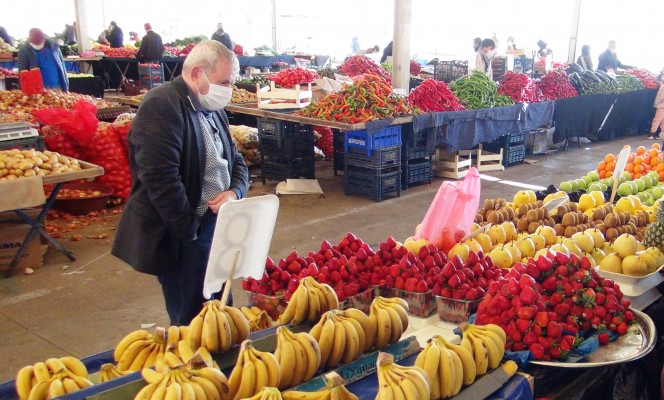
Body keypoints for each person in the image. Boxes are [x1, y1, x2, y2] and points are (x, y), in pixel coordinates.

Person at [112, 40, 249, 326]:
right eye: (224, 81)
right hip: (185, 232)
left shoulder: (213, 108)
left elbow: (237, 161)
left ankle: (226, 365)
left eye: (231, 82)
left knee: (223, 310)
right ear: (197, 73)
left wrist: (234, 193)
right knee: (192, 318)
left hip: (217, 228)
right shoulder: (162, 105)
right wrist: (189, 233)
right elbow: (161, 180)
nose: (229, 89)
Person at [647, 70, 664, 140]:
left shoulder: (662, 85)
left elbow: (661, 97)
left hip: (661, 105)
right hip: (661, 105)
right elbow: (661, 96)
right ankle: (655, 133)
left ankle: (656, 133)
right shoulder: (662, 86)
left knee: (660, 119)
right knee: (659, 119)